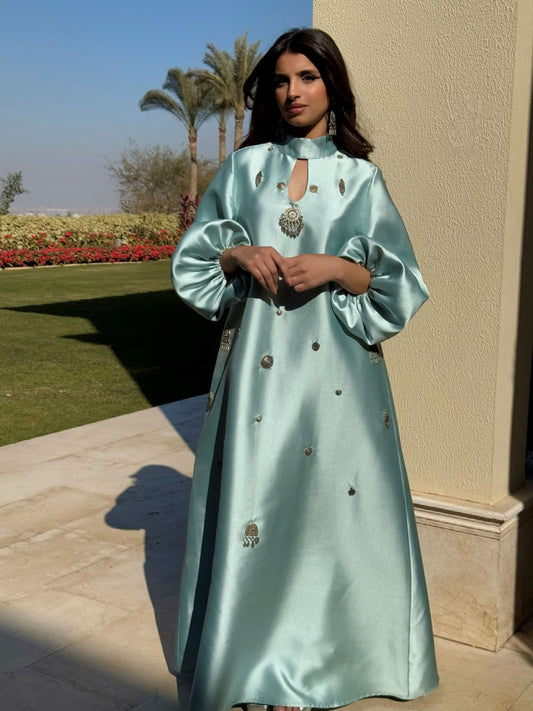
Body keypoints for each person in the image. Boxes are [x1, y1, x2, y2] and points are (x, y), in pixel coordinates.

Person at [171, 27, 439, 711]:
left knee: (323, 511)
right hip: (257, 376)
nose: (292, 92)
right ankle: (251, 663)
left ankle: (315, 667)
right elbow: (197, 258)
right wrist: (238, 254)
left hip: (338, 378)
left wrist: (337, 268)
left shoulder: (360, 179)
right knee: (259, 506)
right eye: (281, 80)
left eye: (307, 78)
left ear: (331, 86)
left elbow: (398, 282)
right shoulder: (244, 169)